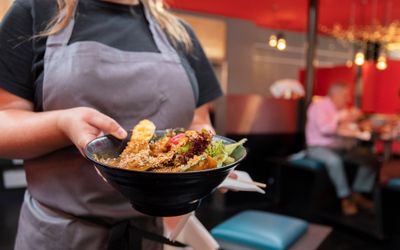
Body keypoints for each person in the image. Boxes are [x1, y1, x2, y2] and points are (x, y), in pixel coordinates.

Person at [0, 0, 223, 249]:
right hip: (59, 236)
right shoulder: (37, 9)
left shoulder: (180, 33)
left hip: (151, 234)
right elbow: (5, 120)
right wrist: (61, 124)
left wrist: (209, 160)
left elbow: (199, 121)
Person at [306, 82, 377, 216]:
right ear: (336, 95)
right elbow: (325, 129)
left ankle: (358, 192)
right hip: (318, 147)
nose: (348, 99)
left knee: (370, 159)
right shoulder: (319, 106)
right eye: (345, 96)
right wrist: (344, 119)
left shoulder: (340, 109)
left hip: (340, 147)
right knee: (334, 161)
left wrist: (357, 123)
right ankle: (345, 197)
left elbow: (346, 129)